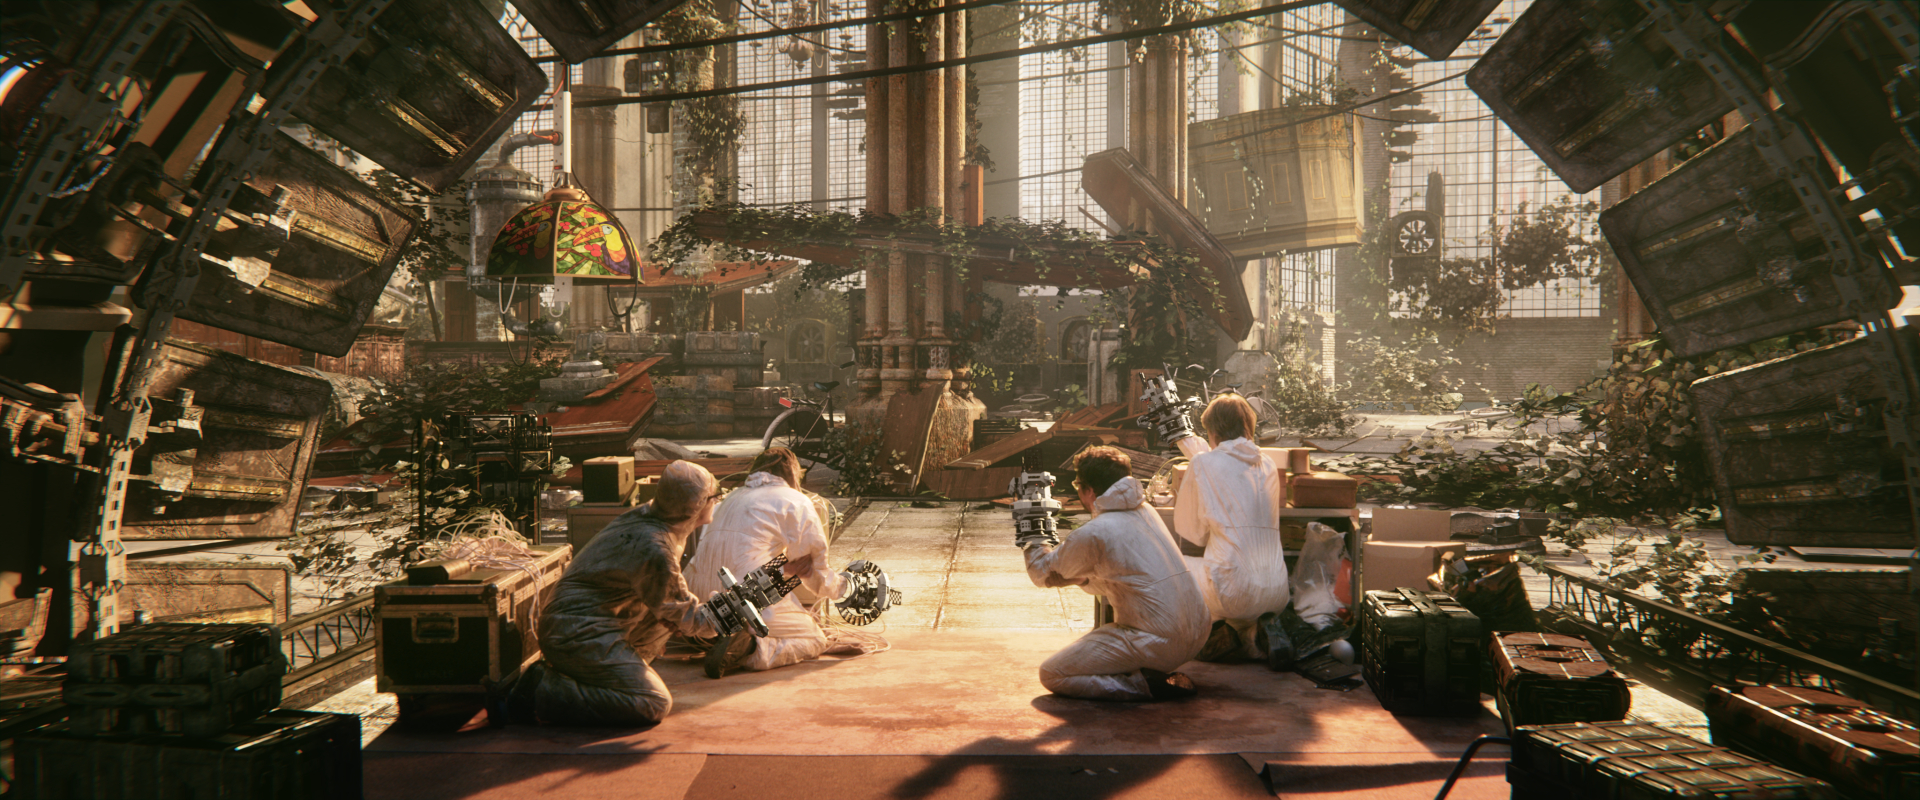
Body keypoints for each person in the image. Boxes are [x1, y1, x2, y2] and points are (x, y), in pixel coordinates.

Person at [508, 460, 722, 726]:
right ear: (695, 507)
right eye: (714, 496)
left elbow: (673, 605)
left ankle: (610, 674)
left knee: (667, 617)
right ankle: (541, 690)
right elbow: (691, 619)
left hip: (583, 623)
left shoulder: (652, 516)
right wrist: (722, 618)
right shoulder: (654, 547)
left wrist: (685, 616)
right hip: (576, 633)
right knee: (652, 702)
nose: (717, 500)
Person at [1022, 446, 1210, 701]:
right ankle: (1147, 671)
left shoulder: (1096, 532)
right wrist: (1079, 578)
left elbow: (1040, 573)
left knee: (1053, 673)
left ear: (1088, 490)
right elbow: (1126, 579)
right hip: (1198, 632)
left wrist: (1033, 525)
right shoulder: (1147, 512)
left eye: (1078, 485)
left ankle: (1143, 685)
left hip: (1159, 643)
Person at [686, 447, 845, 678]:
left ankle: (713, 635)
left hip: (698, 599)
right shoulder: (795, 501)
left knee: (756, 596)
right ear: (793, 473)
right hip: (744, 600)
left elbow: (741, 558)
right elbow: (814, 571)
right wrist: (842, 588)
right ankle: (749, 648)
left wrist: (786, 569)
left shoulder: (729, 498)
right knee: (814, 638)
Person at [1169, 393, 1288, 661]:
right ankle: (1251, 639)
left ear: (1212, 431)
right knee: (1234, 583)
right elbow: (1230, 468)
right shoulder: (1268, 463)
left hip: (1234, 592)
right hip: (1277, 592)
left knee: (1172, 566)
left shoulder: (1202, 462)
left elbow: (1192, 533)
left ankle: (1207, 638)